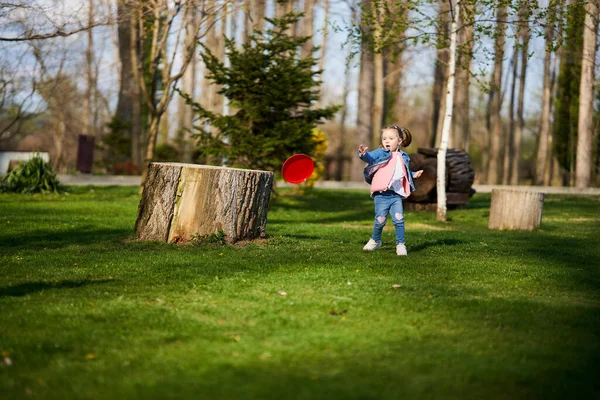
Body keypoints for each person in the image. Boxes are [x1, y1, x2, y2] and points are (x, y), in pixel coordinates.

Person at [357, 125, 423, 256]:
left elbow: (402, 171)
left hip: (395, 194)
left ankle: (400, 244)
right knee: (380, 220)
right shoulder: (381, 152)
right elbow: (370, 157)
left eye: (391, 138)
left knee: (399, 219)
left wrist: (413, 174)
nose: (387, 141)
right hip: (381, 194)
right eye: (384, 138)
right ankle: (375, 241)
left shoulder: (403, 156)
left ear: (399, 141)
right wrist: (363, 154)